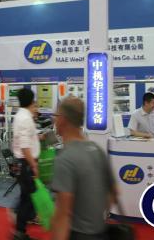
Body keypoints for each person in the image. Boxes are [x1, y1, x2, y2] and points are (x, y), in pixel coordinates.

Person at [51, 97, 116, 240]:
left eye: (56, 116)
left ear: (62, 120)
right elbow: (114, 192)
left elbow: (63, 215)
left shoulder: (65, 158)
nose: (54, 120)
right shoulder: (97, 150)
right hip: (100, 232)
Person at [11, 88, 40, 240]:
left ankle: (19, 230)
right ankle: (19, 231)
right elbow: (24, 145)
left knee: (26, 196)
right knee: (28, 198)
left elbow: (25, 139)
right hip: (26, 163)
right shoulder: (26, 118)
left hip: (22, 162)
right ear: (31, 100)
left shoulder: (20, 115)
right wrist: (33, 164)